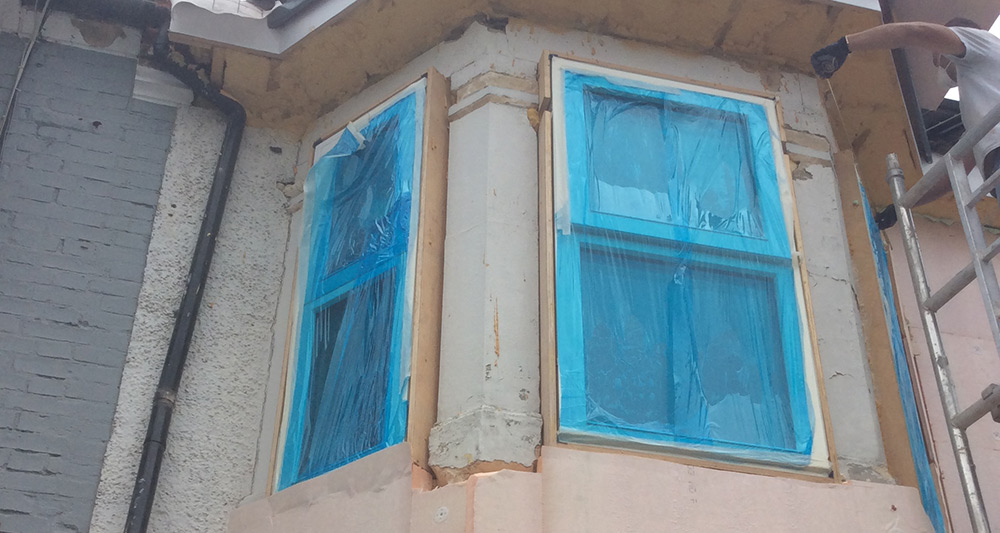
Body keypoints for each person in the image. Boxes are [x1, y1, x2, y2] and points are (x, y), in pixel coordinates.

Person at [812, 19, 1000, 212]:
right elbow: (954, 170)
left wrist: (845, 45)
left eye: (937, 56)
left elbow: (914, 32)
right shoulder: (984, 103)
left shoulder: (982, 42)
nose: (937, 62)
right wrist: (903, 205)